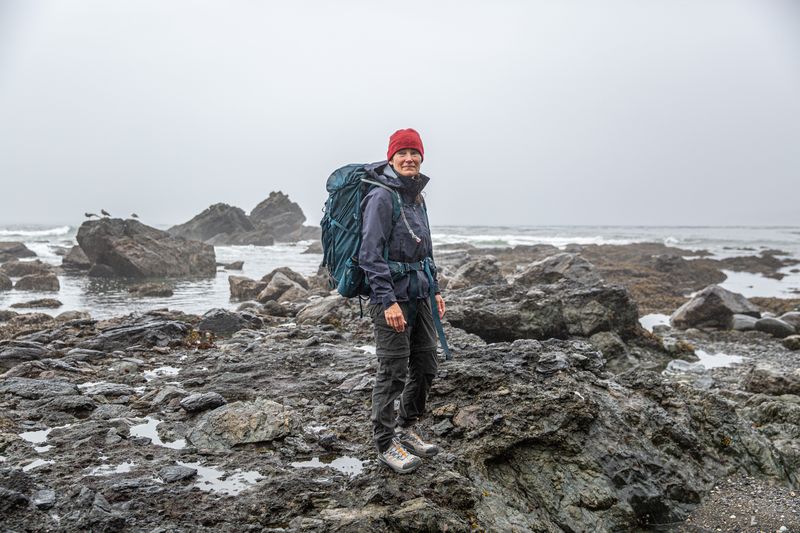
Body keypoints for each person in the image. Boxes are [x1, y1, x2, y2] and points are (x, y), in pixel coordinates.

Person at [359, 128, 446, 473]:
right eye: (402, 153)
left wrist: (435, 288)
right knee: (393, 371)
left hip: (420, 293)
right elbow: (369, 254)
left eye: (415, 153)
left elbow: (426, 248)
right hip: (390, 299)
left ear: (421, 157)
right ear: (391, 158)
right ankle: (385, 444)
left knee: (425, 366)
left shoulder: (417, 197)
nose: (409, 159)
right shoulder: (382, 197)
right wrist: (387, 300)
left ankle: (407, 429)